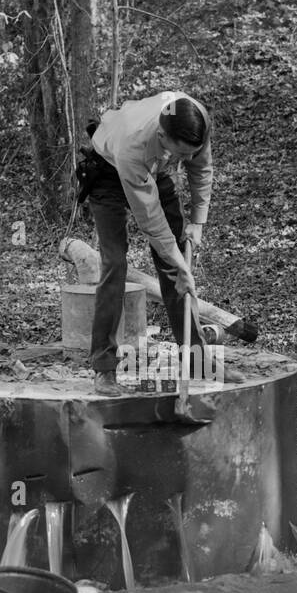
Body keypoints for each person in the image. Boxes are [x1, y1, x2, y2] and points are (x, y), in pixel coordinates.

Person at [82, 91, 241, 395]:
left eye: (189, 153)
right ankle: (104, 367)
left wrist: (197, 221)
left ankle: (196, 359)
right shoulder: (132, 144)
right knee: (115, 264)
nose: (186, 162)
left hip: (155, 170)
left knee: (175, 267)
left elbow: (201, 168)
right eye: (180, 154)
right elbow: (151, 220)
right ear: (162, 136)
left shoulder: (195, 119)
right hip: (108, 174)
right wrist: (181, 264)